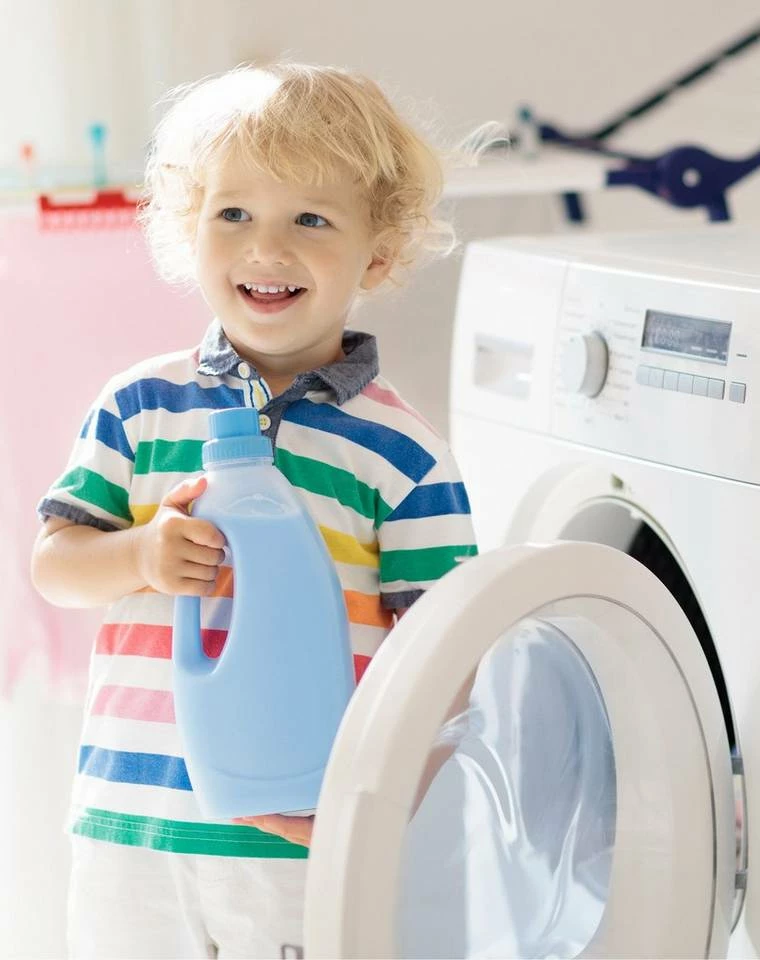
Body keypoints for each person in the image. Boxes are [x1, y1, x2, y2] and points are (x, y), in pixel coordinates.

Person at [31, 62, 495, 959]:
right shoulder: (139, 407)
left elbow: (446, 658)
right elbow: (55, 565)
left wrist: (384, 801)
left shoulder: (402, 453)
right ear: (189, 228)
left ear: (378, 253)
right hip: (136, 823)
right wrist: (140, 556)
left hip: (299, 833)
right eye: (234, 213)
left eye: (310, 219)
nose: (266, 249)